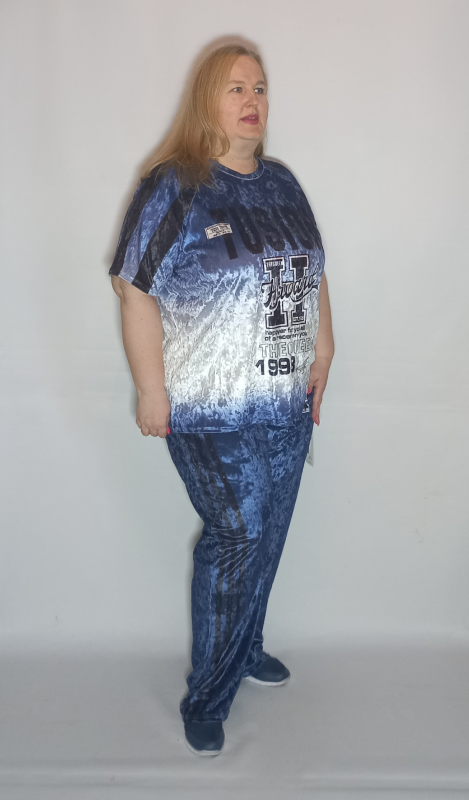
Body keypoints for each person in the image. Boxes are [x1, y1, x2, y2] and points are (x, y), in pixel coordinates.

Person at [109, 43, 334, 756]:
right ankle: (208, 694)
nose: (251, 100)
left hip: (285, 399)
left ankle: (245, 643)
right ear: (205, 99)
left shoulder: (282, 182)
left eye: (259, 87)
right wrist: (151, 389)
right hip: (210, 408)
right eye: (235, 87)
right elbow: (132, 286)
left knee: (270, 531)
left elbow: (311, 270)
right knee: (238, 534)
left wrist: (324, 347)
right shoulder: (175, 185)